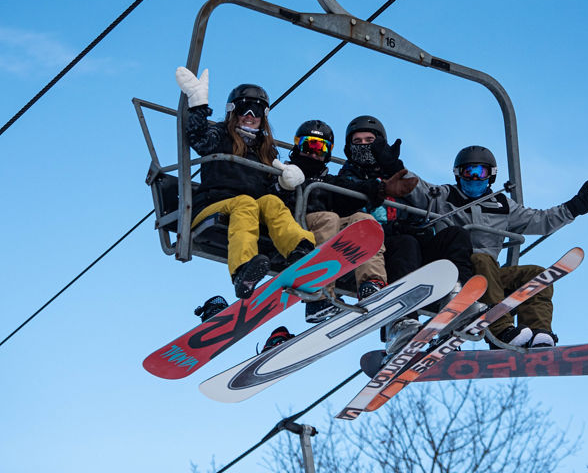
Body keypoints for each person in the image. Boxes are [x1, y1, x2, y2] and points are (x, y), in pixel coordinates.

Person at [402, 145, 588, 348]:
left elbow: (540, 220)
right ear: (458, 174)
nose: (474, 177)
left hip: (490, 277)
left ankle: (538, 333)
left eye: (480, 172)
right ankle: (500, 330)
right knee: (480, 259)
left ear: (491, 176)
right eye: (468, 172)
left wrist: (575, 207)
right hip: (454, 274)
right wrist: (388, 163)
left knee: (536, 274)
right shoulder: (443, 196)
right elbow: (414, 186)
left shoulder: (503, 205)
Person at [174, 67, 315, 304]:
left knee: (270, 202)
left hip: (248, 210)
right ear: (232, 111)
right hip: (211, 205)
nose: (250, 115)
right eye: (243, 109)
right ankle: (243, 271)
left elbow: (272, 194)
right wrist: (198, 105)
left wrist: (283, 185)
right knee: (246, 203)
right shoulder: (220, 134)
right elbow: (198, 139)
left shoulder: (266, 150)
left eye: (257, 110)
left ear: (264, 116)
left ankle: (300, 250)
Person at [336, 116, 475, 353]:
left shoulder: (399, 177)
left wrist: (418, 225)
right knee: (406, 244)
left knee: (455, 235)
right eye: (357, 142)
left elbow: (421, 201)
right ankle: (399, 321)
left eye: (370, 140)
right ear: (349, 148)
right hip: (376, 249)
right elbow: (350, 214)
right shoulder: (346, 179)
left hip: (410, 244)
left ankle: (457, 296)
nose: (364, 146)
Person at [275, 119, 418, 322]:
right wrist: (282, 183)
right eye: (309, 145)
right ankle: (319, 292)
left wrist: (380, 188)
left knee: (363, 220)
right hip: (291, 227)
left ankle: (372, 285)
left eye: (321, 147)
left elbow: (351, 192)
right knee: (329, 218)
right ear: (297, 144)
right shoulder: (281, 170)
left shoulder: (329, 180)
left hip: (324, 227)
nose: (314, 153)